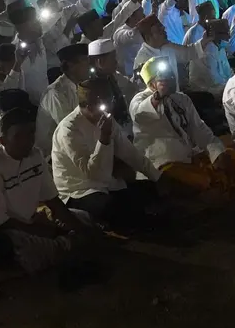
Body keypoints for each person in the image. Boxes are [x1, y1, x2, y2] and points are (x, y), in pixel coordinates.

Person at [0, 107, 91, 274]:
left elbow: (53, 201)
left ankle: (66, 244)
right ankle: (64, 245)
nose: (27, 140)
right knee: (27, 247)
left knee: (83, 217)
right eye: (18, 136)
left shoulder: (35, 156)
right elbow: (3, 224)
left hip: (31, 221)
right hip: (8, 231)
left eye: (30, 133)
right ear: (2, 141)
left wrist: (77, 226)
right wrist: (49, 231)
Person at [51, 78, 162, 232]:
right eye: (106, 102)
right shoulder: (69, 130)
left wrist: (156, 176)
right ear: (89, 105)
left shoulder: (107, 120)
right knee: (114, 208)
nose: (110, 106)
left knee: (150, 190)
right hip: (79, 191)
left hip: (108, 184)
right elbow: (93, 174)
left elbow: (130, 153)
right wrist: (104, 139)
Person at [130, 58, 235, 194]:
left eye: (171, 74)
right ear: (152, 84)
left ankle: (214, 184)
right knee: (198, 181)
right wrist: (157, 97)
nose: (171, 78)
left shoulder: (181, 98)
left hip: (190, 156)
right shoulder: (140, 99)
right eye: (165, 76)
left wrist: (217, 153)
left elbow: (199, 128)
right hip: (163, 163)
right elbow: (139, 114)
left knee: (230, 156)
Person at [35, 44, 91, 158]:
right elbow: (69, 128)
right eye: (84, 60)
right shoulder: (56, 93)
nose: (89, 65)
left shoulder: (83, 85)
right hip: (54, 154)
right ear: (70, 65)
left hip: (77, 145)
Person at [0, 44, 21, 117]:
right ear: (1, 66)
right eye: (12, 65)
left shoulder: (18, 72)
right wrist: (15, 68)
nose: (14, 68)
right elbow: (6, 93)